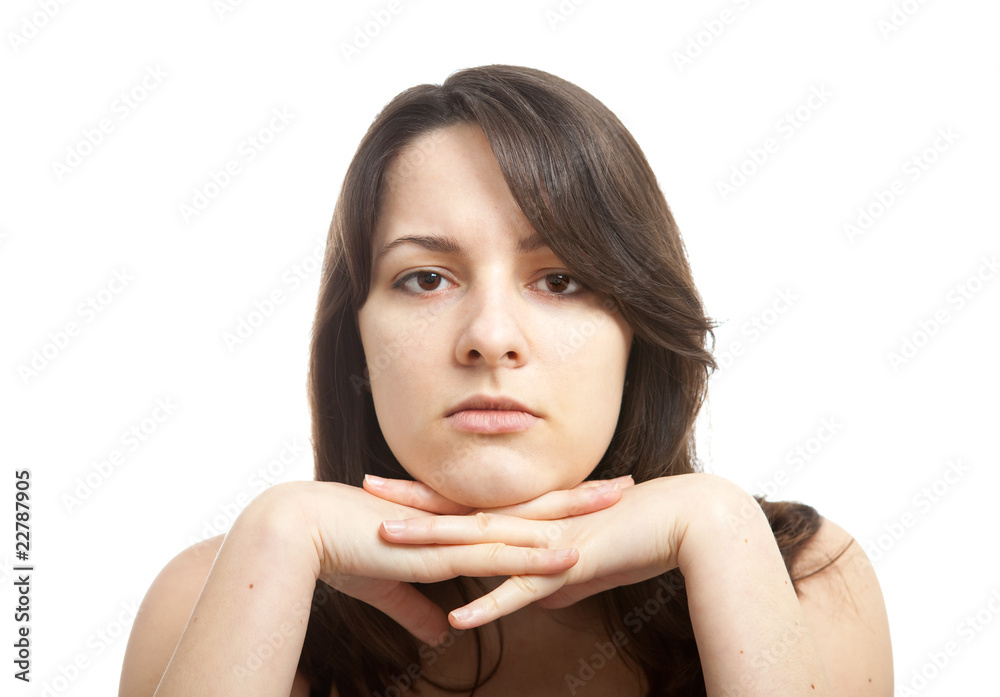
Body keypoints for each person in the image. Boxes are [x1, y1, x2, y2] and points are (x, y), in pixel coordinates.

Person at [118, 65, 893, 697]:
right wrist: (278, 535)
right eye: (426, 278)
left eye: (559, 280)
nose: (490, 337)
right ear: (354, 340)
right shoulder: (214, 595)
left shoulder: (801, 580)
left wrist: (721, 529)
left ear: (637, 330)